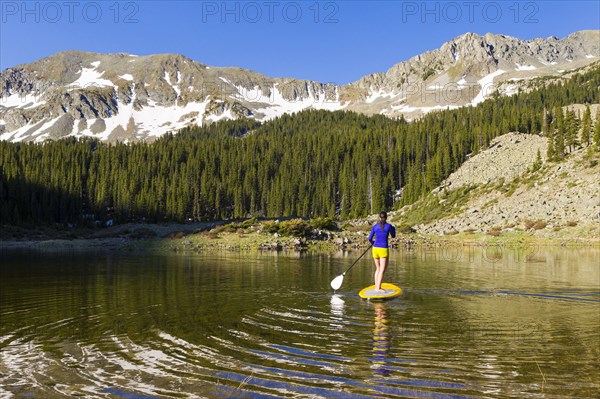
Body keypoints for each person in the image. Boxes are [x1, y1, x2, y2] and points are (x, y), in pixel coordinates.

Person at [367, 211, 396, 292]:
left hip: (375, 249)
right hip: (383, 249)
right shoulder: (389, 226)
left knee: (378, 269)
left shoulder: (375, 226)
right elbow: (393, 235)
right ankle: (378, 288)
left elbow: (369, 238)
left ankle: (376, 286)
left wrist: (373, 243)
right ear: (386, 218)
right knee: (382, 270)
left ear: (379, 218)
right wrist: (393, 228)